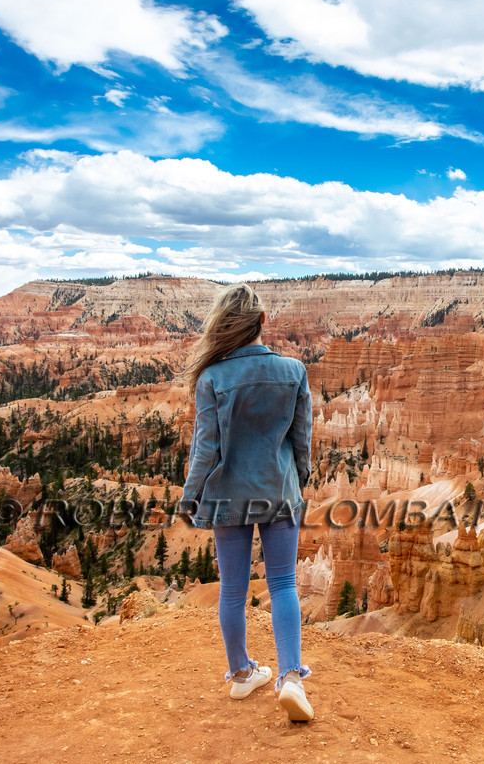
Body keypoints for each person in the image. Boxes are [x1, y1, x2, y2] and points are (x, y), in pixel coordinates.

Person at [178, 284, 315, 722]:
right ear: (262, 321)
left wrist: (189, 496)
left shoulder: (211, 379)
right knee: (283, 584)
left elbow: (205, 449)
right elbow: (302, 438)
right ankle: (290, 677)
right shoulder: (294, 371)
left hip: (227, 494)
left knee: (233, 589)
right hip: (279, 491)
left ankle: (241, 673)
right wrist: (300, 477)